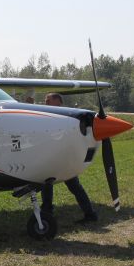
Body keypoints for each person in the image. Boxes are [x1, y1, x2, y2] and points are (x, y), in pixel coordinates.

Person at [41, 93, 98, 223]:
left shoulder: (66, 118)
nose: (46, 103)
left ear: (58, 101)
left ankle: (47, 213)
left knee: (55, 184)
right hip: (56, 157)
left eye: (48, 100)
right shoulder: (50, 116)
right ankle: (89, 214)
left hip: (63, 158)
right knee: (51, 184)